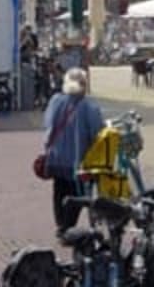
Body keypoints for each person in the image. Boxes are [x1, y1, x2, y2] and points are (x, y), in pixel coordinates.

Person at [42, 67, 104, 237]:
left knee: (59, 190)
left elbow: (47, 125)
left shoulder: (56, 101)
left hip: (56, 157)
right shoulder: (88, 107)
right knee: (76, 193)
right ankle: (67, 227)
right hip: (77, 159)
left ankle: (60, 224)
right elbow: (98, 132)